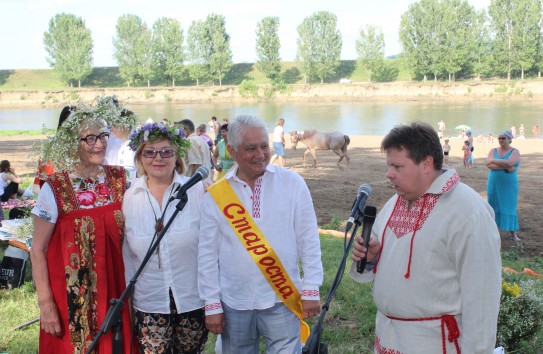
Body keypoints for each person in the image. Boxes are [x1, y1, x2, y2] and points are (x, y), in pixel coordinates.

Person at [350, 122, 501, 353]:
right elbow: (385, 264)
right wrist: (370, 258)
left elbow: (482, 298)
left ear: (427, 163)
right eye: (389, 165)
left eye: (397, 167)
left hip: (435, 342)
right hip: (388, 337)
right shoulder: (393, 204)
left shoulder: (469, 212)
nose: (388, 174)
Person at [198, 115, 323, 354]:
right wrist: (211, 303)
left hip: (282, 299)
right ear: (232, 152)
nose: (260, 154)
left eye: (264, 146)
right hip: (234, 301)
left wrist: (311, 288)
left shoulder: (293, 183)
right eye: (250, 148)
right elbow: (206, 254)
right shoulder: (216, 195)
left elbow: (308, 239)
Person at [29, 106, 135, 353]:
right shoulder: (55, 188)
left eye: (102, 136)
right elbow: (38, 250)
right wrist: (45, 304)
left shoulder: (121, 180)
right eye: (89, 138)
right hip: (71, 297)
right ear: (72, 144)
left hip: (116, 292)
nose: (98, 144)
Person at [123, 122, 208, 353]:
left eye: (166, 152)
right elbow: (127, 256)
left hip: (192, 299)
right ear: (141, 157)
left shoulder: (199, 191)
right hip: (148, 301)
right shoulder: (128, 198)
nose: (157, 158)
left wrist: (214, 300)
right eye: (150, 152)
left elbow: (211, 250)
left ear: (177, 156)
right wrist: (129, 304)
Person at [486, 130, 521, 241]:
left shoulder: (515, 151)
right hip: (493, 183)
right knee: (493, 205)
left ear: (509, 140)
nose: (501, 140)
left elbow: (510, 163)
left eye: (503, 138)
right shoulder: (493, 150)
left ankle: (513, 234)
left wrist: (494, 161)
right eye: (499, 138)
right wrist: (505, 166)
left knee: (509, 206)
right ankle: (493, 232)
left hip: (509, 184)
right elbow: (489, 165)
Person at [177, 119, 212, 183]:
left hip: (197, 183)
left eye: (180, 130)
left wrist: (190, 183)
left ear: (186, 130)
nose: (179, 133)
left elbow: (196, 164)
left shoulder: (190, 141)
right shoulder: (202, 140)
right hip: (206, 180)